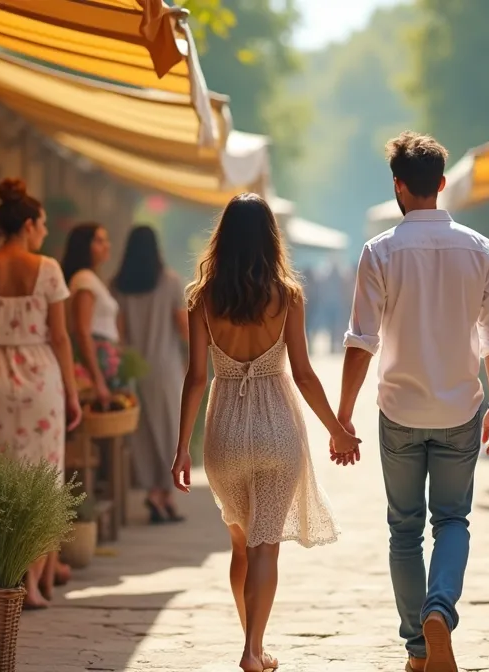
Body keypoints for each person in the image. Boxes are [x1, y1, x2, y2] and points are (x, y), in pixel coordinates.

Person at [337, 132, 489, 672]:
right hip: (461, 408)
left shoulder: (379, 252)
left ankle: (418, 649)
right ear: (440, 184)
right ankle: (440, 609)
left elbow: (361, 343)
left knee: (405, 530)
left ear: (397, 188)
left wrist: (342, 416)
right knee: (453, 521)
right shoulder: (479, 248)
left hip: (400, 409)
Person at [172, 193, 354, 672]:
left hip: (225, 431)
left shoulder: (202, 297)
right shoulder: (287, 295)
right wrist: (337, 430)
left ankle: (252, 643)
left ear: (224, 237)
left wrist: (180, 450)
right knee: (265, 545)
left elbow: (195, 378)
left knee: (240, 544)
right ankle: (253, 649)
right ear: (271, 238)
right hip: (277, 429)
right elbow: (306, 374)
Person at [0, 178, 82, 610]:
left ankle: (12, 576)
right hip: (43, 377)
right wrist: (73, 392)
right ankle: (36, 584)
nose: (44, 232)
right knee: (46, 481)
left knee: (5, 478)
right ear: (27, 224)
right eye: (41, 225)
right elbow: (61, 339)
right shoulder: (48, 269)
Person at [113, 225, 188, 524]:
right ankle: (166, 495)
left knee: (142, 432)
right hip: (165, 366)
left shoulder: (117, 285)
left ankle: (154, 492)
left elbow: (118, 331)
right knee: (171, 428)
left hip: (134, 367)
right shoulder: (169, 282)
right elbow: (184, 327)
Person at [61, 224, 122, 410]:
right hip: (92, 364)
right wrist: (97, 379)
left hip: (102, 361)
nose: (107, 245)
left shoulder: (92, 279)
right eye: (99, 241)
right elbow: (82, 330)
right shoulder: (84, 280)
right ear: (84, 246)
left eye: (106, 240)